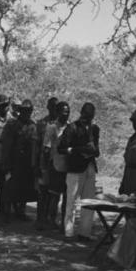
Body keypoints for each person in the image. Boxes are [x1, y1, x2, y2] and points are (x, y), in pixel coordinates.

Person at [57, 102, 99, 241]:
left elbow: (97, 150)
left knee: (89, 202)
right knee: (71, 201)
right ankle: (69, 232)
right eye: (86, 114)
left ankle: (84, 233)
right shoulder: (72, 127)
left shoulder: (94, 129)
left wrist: (92, 151)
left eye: (91, 115)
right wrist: (78, 150)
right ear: (82, 113)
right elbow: (61, 148)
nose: (88, 117)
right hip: (75, 168)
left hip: (90, 167)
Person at [1, 99, 38, 222]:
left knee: (25, 188)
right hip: (14, 161)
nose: (27, 113)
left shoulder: (33, 125)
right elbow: (6, 144)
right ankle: (6, 212)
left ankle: (20, 211)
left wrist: (34, 163)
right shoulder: (12, 125)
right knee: (10, 186)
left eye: (29, 111)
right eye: (24, 111)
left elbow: (34, 144)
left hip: (27, 162)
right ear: (20, 111)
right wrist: (6, 162)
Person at [43, 101, 70, 231]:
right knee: (54, 195)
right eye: (64, 111)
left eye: (68, 111)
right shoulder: (52, 127)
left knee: (67, 195)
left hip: (68, 166)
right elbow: (46, 148)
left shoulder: (71, 127)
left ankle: (64, 221)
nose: (66, 114)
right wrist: (43, 168)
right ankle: (51, 220)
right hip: (55, 164)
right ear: (58, 112)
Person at [35, 97, 59, 230]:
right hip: (43, 162)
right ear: (48, 107)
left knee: (54, 192)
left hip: (56, 163)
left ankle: (52, 218)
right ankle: (40, 219)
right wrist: (36, 164)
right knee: (42, 191)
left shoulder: (62, 124)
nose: (53, 109)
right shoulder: (41, 123)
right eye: (51, 106)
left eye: (56, 106)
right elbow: (36, 145)